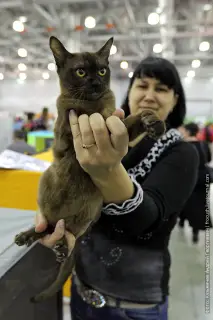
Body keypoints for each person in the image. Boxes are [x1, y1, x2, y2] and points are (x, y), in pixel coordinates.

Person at [35, 56, 199, 320]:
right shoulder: (105, 136)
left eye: (161, 89)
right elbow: (71, 183)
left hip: (134, 307)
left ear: (175, 99)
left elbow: (146, 217)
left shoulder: (182, 153)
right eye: (142, 85)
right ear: (130, 90)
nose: (149, 95)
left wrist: (107, 170)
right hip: (82, 291)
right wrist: (52, 214)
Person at [178, 122, 212, 243]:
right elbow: (208, 159)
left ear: (187, 132)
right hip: (202, 179)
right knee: (199, 205)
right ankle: (195, 233)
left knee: (184, 202)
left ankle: (181, 221)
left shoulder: (181, 146)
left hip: (187, 178)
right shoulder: (203, 144)